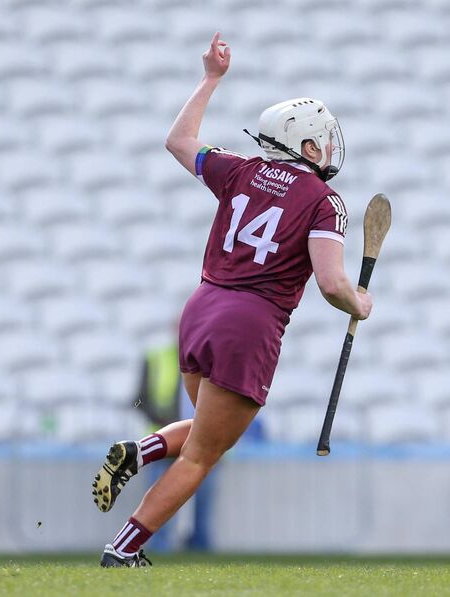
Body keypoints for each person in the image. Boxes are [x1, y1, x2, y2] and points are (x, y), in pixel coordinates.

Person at [92, 32, 373, 567]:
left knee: (206, 432)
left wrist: (210, 79)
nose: (329, 149)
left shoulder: (238, 169)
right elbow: (332, 283)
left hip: (200, 308)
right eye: (323, 140)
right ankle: (123, 550)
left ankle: (141, 449)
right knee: (204, 454)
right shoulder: (325, 200)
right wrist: (359, 305)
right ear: (307, 148)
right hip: (250, 324)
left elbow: (177, 141)